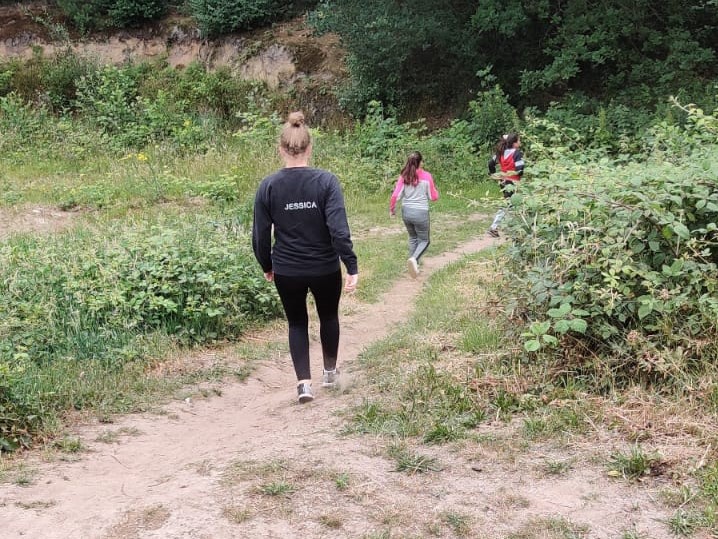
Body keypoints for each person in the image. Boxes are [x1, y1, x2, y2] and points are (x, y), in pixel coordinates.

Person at [252, 111, 359, 404]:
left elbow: (260, 234)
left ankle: (304, 385)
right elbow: (338, 229)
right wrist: (351, 265)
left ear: (281, 148)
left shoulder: (268, 186)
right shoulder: (326, 181)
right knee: (328, 316)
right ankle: (329, 372)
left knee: (296, 323)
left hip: (287, 269)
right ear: (310, 148)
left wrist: (267, 264)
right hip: (324, 266)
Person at [389, 151, 439, 279]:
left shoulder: (404, 176)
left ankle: (413, 267)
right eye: (422, 161)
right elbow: (433, 197)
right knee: (425, 240)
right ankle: (414, 259)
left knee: (413, 238)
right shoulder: (427, 176)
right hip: (421, 212)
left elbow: (395, 195)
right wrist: (436, 193)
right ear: (420, 162)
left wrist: (392, 209)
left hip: (406, 212)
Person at [487, 133, 524, 237]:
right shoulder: (516, 153)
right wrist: (519, 174)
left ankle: (516, 228)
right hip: (513, 182)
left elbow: (491, 163)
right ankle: (494, 227)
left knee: (513, 203)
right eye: (518, 141)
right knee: (509, 204)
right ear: (514, 143)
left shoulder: (501, 152)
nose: (520, 143)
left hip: (503, 181)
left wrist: (493, 174)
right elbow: (519, 168)